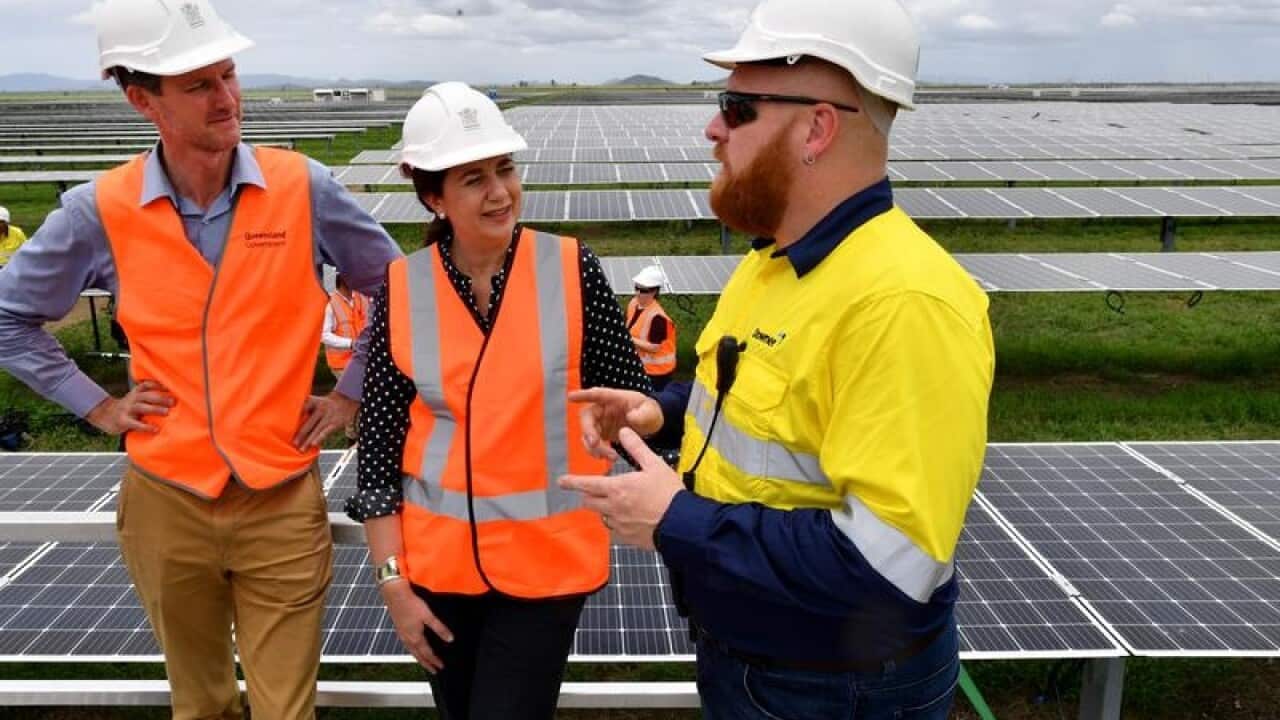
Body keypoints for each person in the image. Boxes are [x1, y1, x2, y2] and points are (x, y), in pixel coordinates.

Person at [559, 1, 995, 718]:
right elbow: (747, 399)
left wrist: (676, 521)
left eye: (737, 107)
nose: (713, 129)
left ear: (817, 128)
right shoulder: (775, 264)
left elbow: (889, 572)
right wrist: (657, 412)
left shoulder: (905, 304)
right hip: (757, 661)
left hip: (832, 688)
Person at [0, 1, 401, 717]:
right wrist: (97, 406)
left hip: (280, 494)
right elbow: (9, 317)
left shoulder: (301, 186)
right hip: (165, 500)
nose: (226, 98)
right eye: (199, 85)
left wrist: (349, 393)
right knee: (202, 704)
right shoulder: (100, 209)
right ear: (141, 100)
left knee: (286, 709)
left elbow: (400, 290)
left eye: (229, 74)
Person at [345, 82, 651, 720]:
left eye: (505, 169)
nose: (500, 192)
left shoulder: (572, 268)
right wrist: (393, 581)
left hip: (548, 565)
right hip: (437, 571)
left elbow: (632, 397)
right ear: (433, 195)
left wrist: (628, 416)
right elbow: (377, 450)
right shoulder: (403, 287)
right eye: (474, 178)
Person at [626, 265, 677, 391]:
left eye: (643, 290)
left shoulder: (658, 317)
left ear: (654, 292)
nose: (638, 293)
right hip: (640, 366)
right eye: (636, 288)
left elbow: (655, 347)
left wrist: (628, 339)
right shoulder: (633, 303)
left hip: (657, 372)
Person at [322, 272, 370, 379]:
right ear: (342, 279)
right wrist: (350, 343)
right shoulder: (330, 304)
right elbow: (324, 335)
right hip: (342, 364)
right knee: (355, 395)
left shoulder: (362, 298)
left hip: (364, 359)